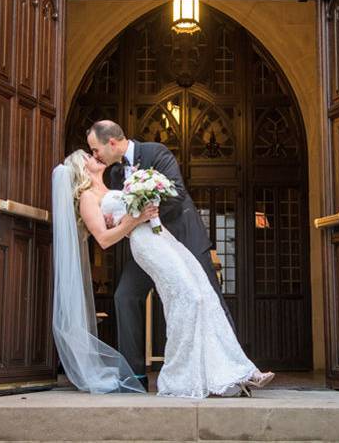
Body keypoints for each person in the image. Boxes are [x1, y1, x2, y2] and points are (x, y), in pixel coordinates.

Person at [52, 149, 274, 398]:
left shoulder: (109, 186)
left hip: (162, 238)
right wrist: (135, 220)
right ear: (83, 169)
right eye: (90, 158)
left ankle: (239, 370)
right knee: (190, 298)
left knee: (205, 295)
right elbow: (103, 239)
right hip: (146, 246)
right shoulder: (87, 198)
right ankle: (178, 377)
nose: (96, 157)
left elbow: (134, 214)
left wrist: (148, 206)